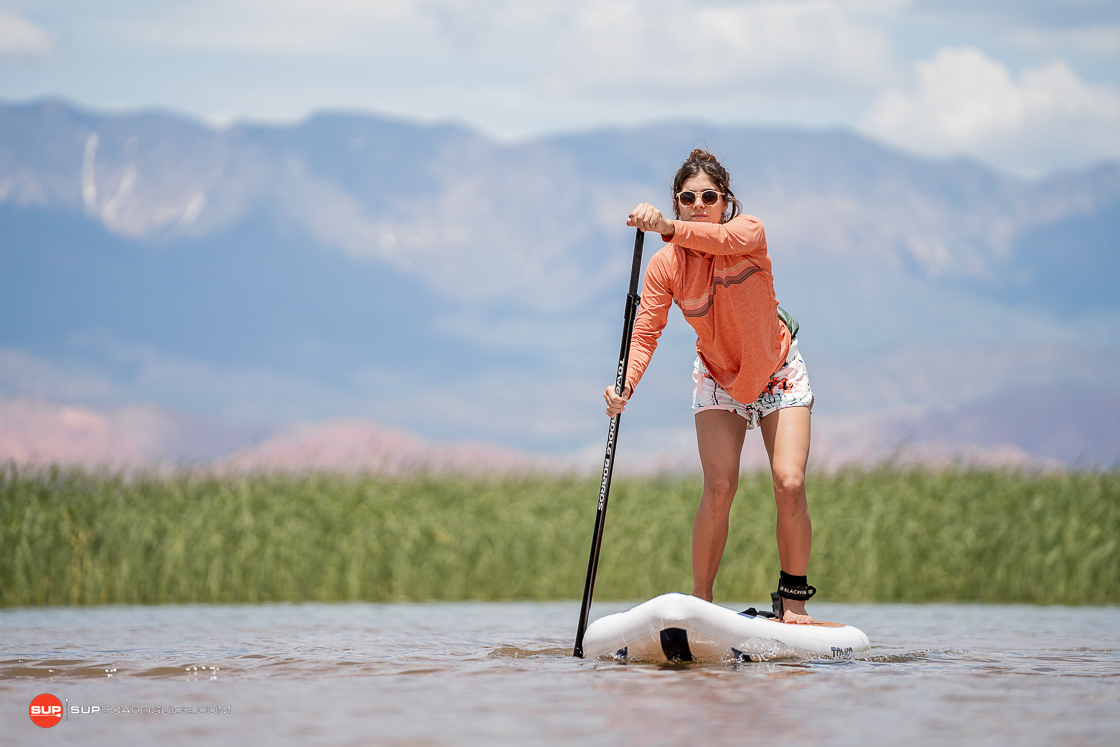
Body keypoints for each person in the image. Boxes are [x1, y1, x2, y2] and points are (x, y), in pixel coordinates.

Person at [603, 148, 817, 624]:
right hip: (719, 377)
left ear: (726, 201)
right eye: (687, 197)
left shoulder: (748, 234)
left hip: (776, 369)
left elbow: (714, 238)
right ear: (677, 202)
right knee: (719, 487)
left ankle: (794, 599)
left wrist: (664, 226)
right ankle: (702, 603)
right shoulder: (666, 265)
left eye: (708, 196)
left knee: (789, 482)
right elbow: (646, 332)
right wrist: (625, 387)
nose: (698, 203)